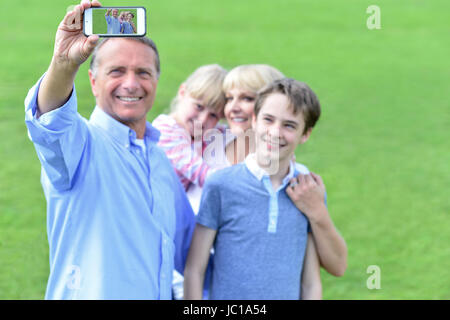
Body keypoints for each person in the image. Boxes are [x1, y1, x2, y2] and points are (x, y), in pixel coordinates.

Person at [24, 0, 195, 299]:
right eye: (117, 71)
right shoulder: (80, 146)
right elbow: (51, 122)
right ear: (93, 80)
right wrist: (64, 65)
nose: (131, 84)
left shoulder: (159, 160)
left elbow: (189, 250)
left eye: (143, 73)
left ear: (156, 81)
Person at [184, 78, 324, 299]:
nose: (275, 132)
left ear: (305, 134)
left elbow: (310, 283)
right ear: (255, 121)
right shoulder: (220, 185)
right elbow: (194, 271)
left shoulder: (307, 191)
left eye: (289, 125)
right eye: (268, 120)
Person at [220, 65, 348, 277]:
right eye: (228, 98)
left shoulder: (299, 182)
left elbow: (334, 266)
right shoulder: (203, 162)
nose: (233, 107)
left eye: (246, 98)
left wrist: (317, 211)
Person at [152, 64, 227, 195]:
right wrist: (241, 184)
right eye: (199, 106)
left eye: (213, 115)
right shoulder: (166, 131)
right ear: (182, 92)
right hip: (154, 207)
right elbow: (202, 174)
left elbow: (235, 133)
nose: (203, 120)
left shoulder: (204, 133)